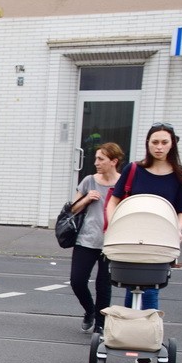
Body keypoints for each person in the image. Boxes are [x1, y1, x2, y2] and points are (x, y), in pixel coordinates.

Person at [105, 123, 182, 311]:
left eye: (164, 142)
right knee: (131, 285)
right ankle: (130, 330)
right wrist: (114, 224)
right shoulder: (134, 169)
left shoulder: (179, 174)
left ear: (172, 145)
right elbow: (114, 200)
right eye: (155, 142)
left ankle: (147, 333)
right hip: (131, 236)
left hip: (160, 239)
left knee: (151, 288)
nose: (159, 147)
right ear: (148, 143)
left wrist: (176, 229)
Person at [69, 142, 123, 333]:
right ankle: (89, 310)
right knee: (77, 281)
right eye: (96, 158)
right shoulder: (89, 181)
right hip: (87, 239)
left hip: (111, 242)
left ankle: (100, 324)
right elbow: (72, 209)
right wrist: (86, 198)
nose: (96, 162)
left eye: (101, 159)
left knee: (104, 285)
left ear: (114, 161)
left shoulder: (124, 183)